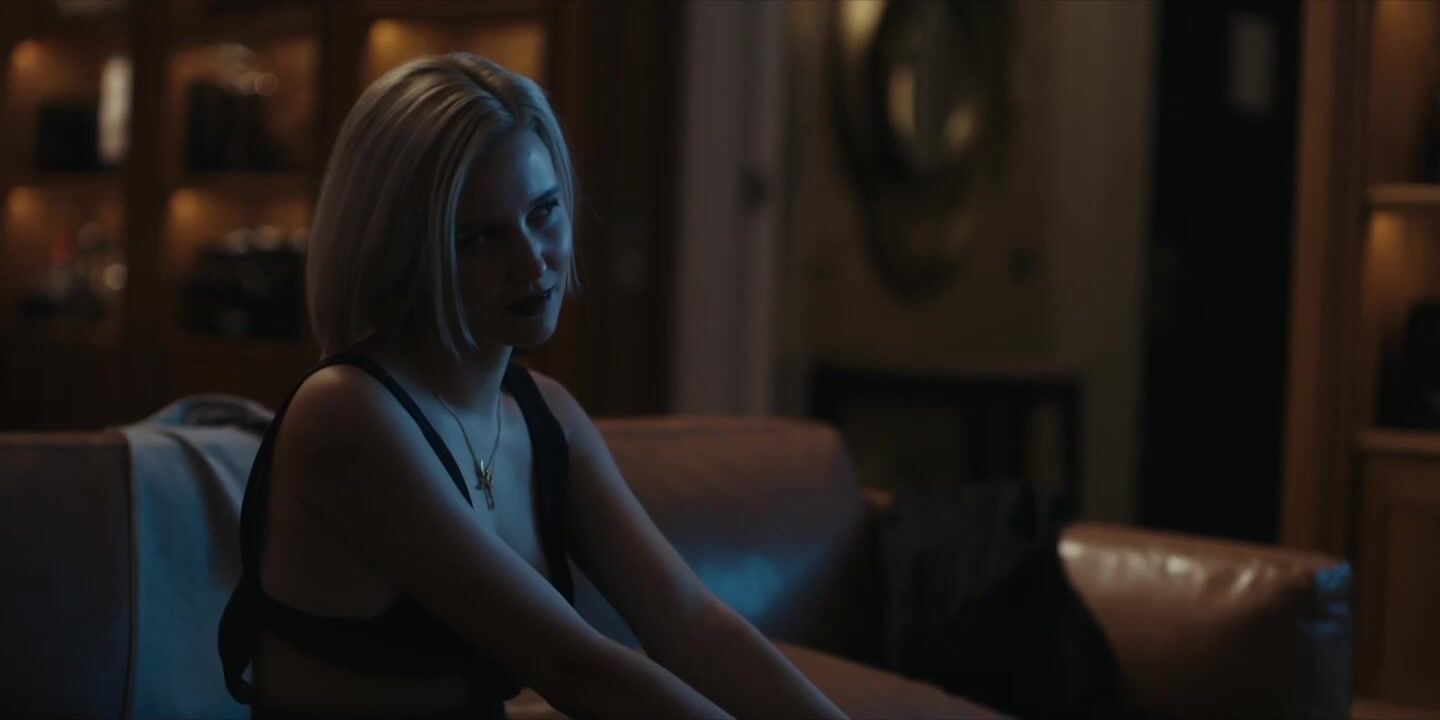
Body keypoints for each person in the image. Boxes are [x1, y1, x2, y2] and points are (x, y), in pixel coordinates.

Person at [217, 53, 849, 720]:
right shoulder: (346, 413)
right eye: (480, 238)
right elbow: (575, 667)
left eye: (544, 211)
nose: (532, 260)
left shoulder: (547, 414)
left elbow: (691, 623)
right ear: (401, 250)